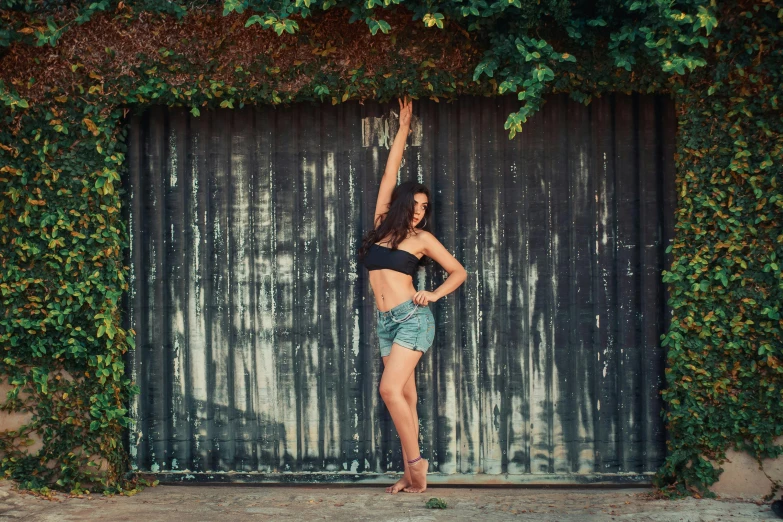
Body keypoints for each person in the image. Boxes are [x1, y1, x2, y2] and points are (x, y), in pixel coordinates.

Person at [358, 96, 468, 494]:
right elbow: (389, 174)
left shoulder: (422, 239)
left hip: (412, 318)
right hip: (386, 324)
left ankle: (416, 465)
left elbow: (459, 272)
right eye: (416, 204)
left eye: (426, 206)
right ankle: (410, 475)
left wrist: (434, 295)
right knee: (405, 396)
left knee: (389, 391)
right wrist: (403, 129)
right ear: (404, 203)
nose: (420, 210)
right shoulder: (380, 226)